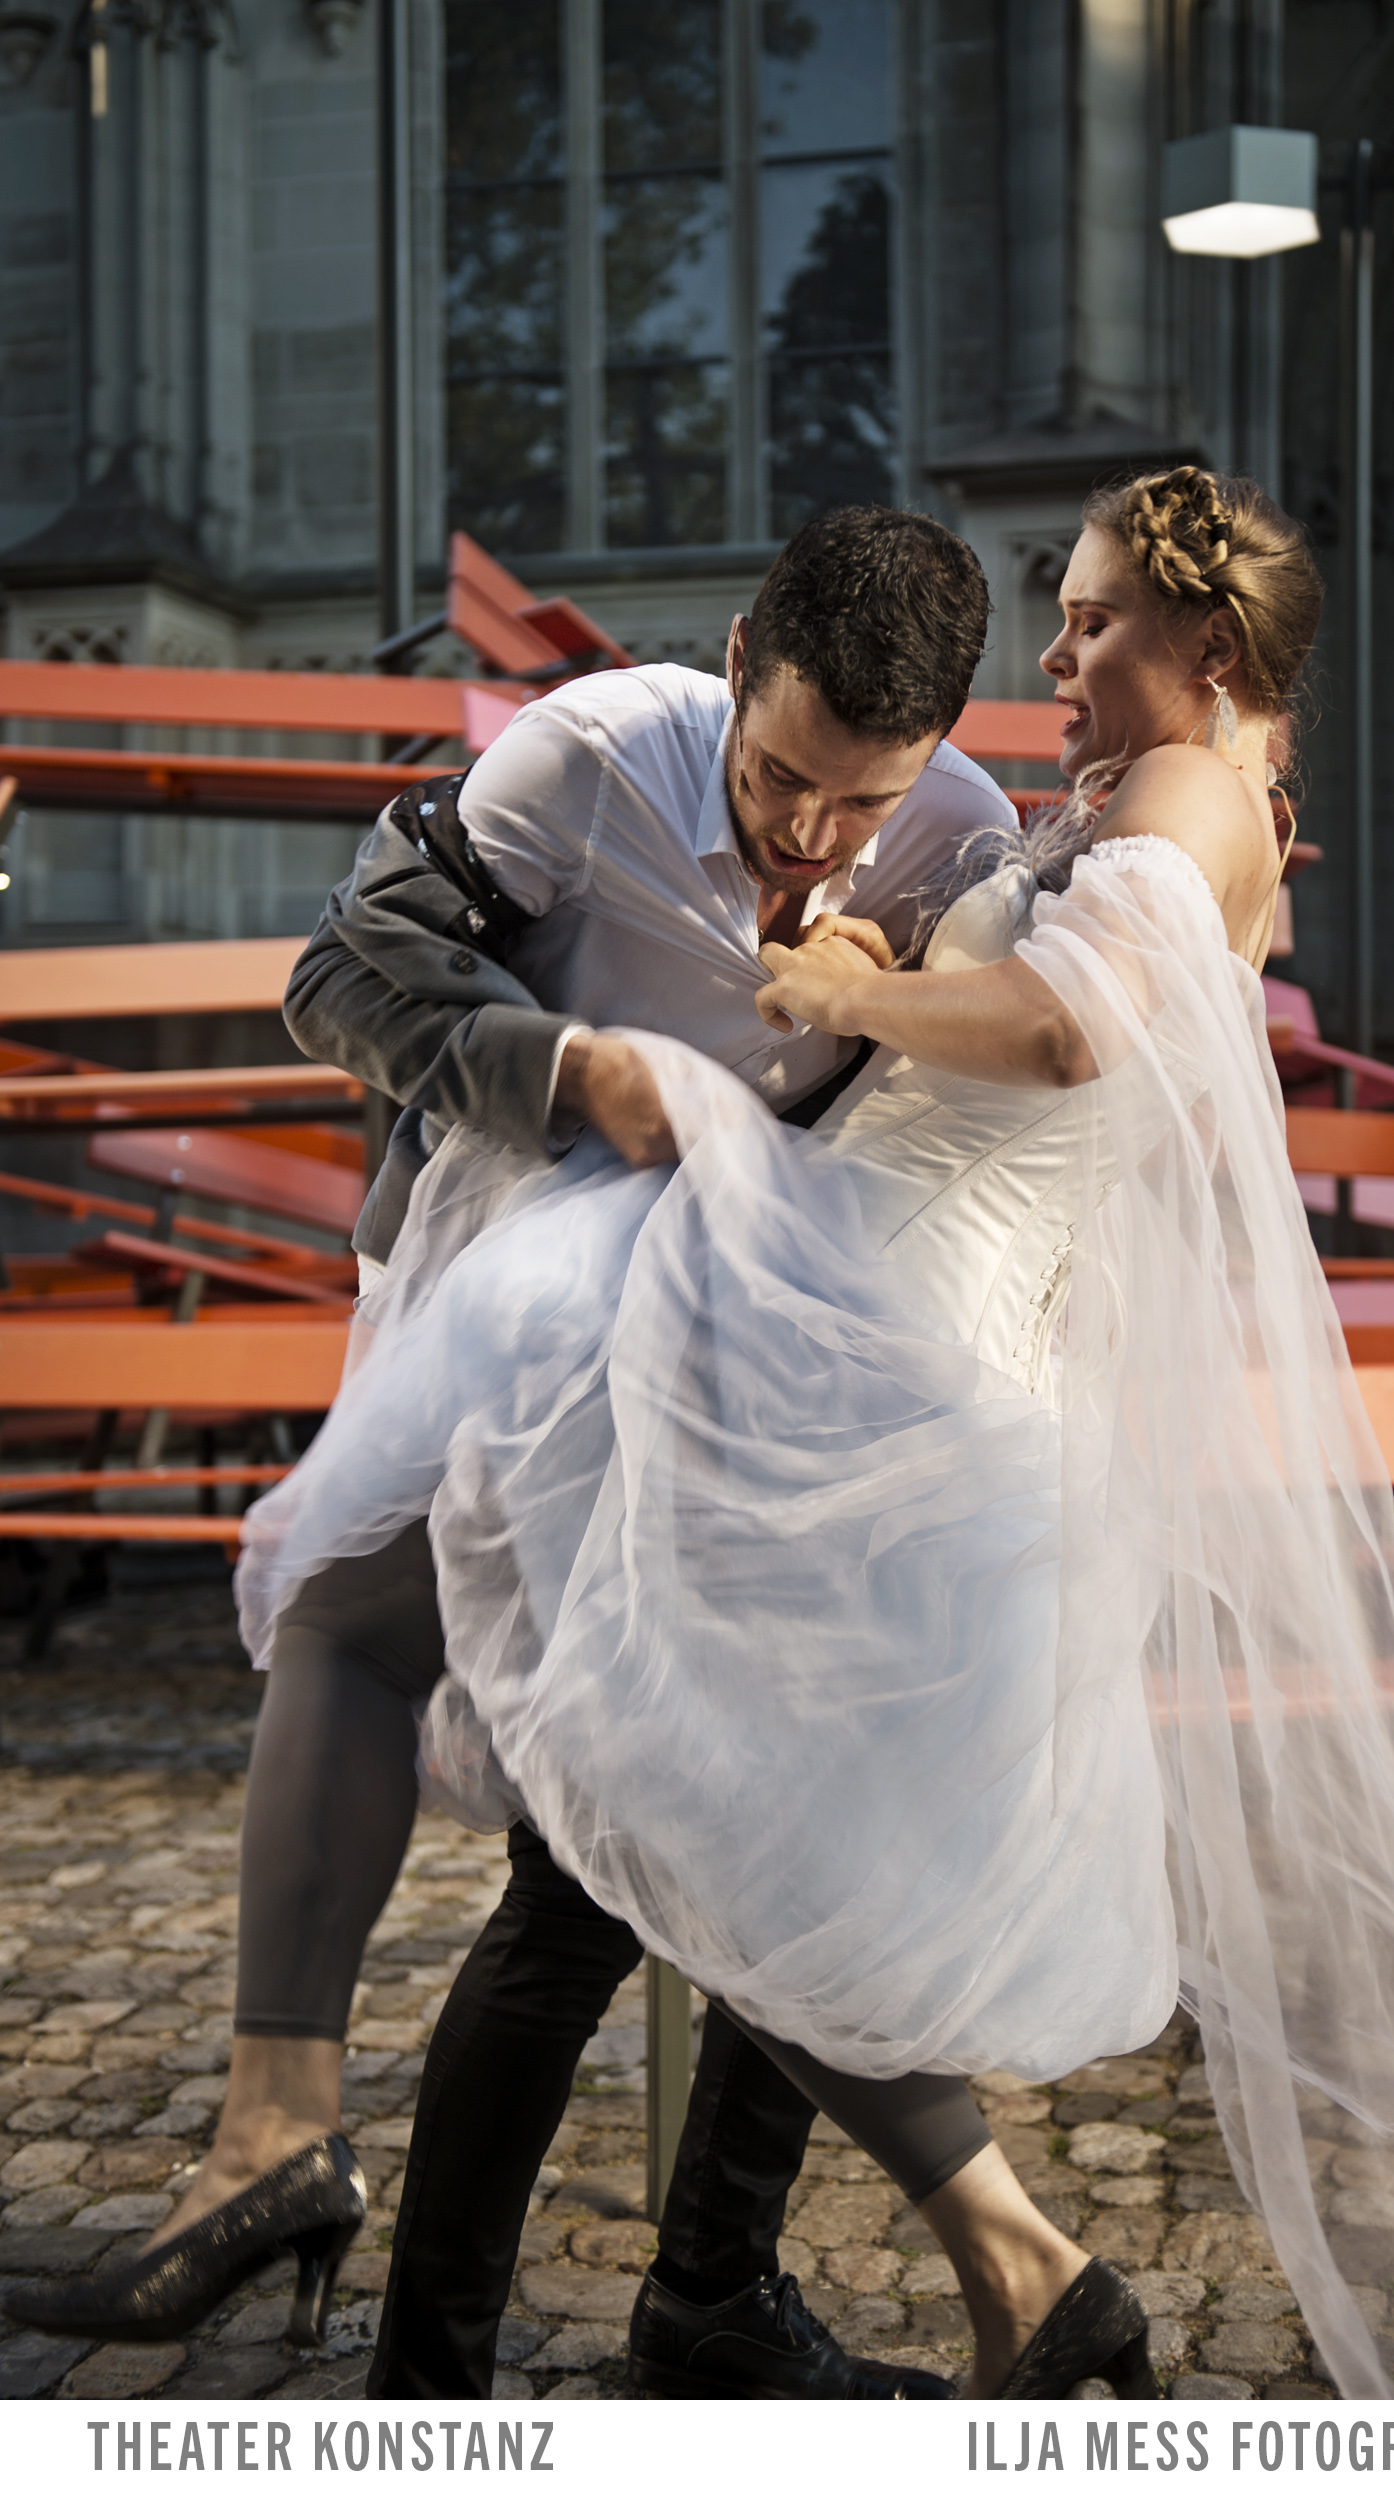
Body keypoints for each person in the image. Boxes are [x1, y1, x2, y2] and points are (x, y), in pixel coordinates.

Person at [4, 506, 1041, 2400]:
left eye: (858, 803)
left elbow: (1033, 1044)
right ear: (736, 656)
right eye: (784, 776)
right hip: (506, 1280)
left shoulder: (967, 827)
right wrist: (568, 1066)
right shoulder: (586, 752)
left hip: (739, 1347)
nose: (810, 834)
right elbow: (338, 979)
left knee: (528, 1752)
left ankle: (328, 2203)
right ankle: (898, 2271)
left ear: (944, 745)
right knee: (615, 1804)